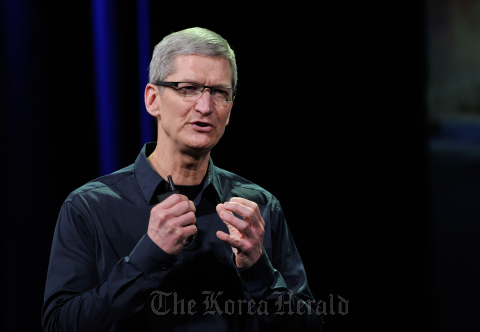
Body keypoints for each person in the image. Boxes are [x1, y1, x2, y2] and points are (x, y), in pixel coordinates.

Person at [42, 27, 323, 332]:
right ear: (153, 100)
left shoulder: (261, 207)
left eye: (219, 92)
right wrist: (147, 257)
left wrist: (258, 269)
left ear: (229, 110)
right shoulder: (89, 208)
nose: (205, 107)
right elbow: (59, 325)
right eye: (188, 88)